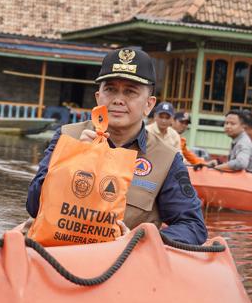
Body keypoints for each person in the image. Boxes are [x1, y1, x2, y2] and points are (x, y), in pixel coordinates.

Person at [26, 47, 207, 245]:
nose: (118, 100)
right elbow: (34, 206)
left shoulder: (166, 158)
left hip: (123, 265)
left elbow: (193, 226)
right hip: (58, 254)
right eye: (110, 89)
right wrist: (72, 160)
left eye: (130, 91)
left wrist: (141, 240)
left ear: (149, 104)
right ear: (98, 97)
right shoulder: (67, 137)